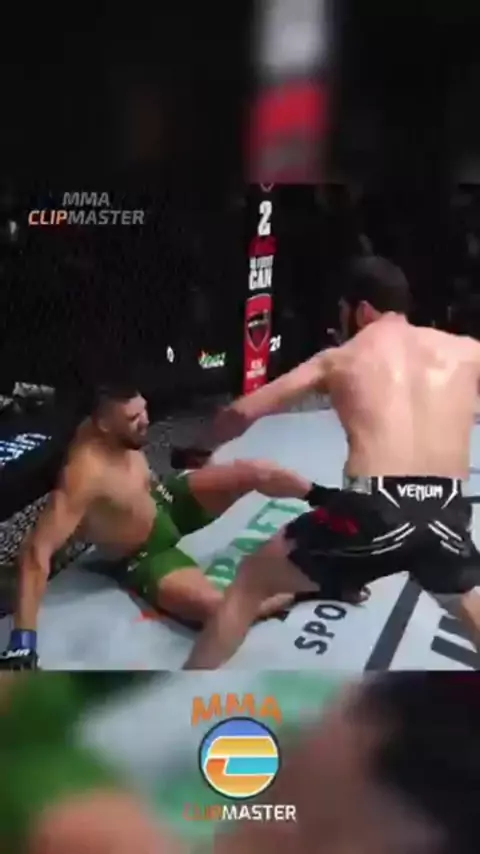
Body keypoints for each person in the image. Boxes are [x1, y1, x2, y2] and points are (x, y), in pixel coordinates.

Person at [183, 255, 480, 669]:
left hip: (373, 509)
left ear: (362, 310)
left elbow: (242, 412)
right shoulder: (468, 351)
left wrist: (199, 449)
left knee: (251, 579)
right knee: (463, 601)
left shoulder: (339, 358)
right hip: (445, 510)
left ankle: (192, 683)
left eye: (343, 311)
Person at [0, 383, 324, 670]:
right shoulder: (83, 476)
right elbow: (35, 552)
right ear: (103, 425)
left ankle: (329, 497)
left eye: (144, 410)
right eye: (133, 418)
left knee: (257, 471)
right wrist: (22, 640)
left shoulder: (115, 425)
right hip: (145, 554)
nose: (145, 421)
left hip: (164, 500)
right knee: (220, 610)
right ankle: (313, 584)